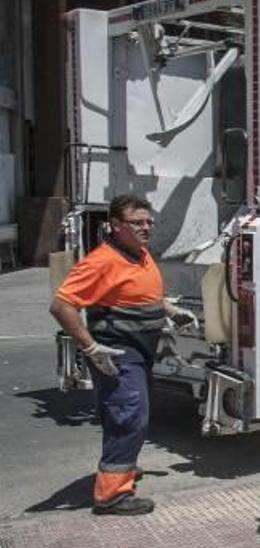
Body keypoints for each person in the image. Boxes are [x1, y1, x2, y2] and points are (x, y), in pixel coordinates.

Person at [50, 194, 199, 516]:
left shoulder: (138, 253)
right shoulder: (102, 261)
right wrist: (90, 347)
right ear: (115, 225)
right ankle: (111, 496)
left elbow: (141, 295)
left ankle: (123, 465)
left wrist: (172, 310)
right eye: (137, 223)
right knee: (129, 414)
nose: (146, 228)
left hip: (140, 349)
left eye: (149, 222)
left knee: (121, 412)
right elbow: (62, 305)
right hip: (118, 350)